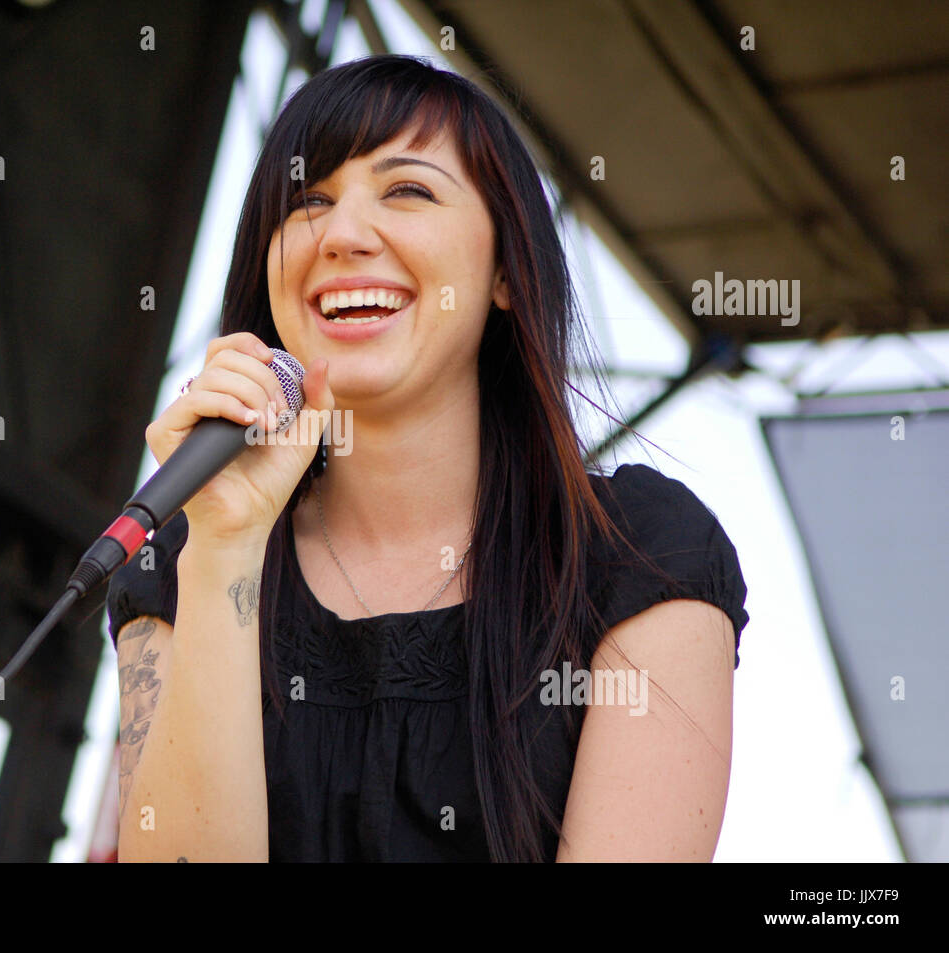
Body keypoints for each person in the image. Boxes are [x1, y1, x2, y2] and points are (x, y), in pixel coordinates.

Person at [106, 54, 749, 862]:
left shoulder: (640, 554)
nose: (341, 235)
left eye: (406, 190)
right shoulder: (181, 558)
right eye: (307, 201)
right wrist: (224, 548)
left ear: (508, 272)